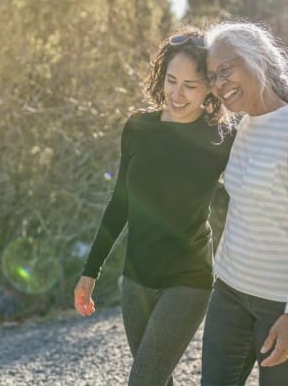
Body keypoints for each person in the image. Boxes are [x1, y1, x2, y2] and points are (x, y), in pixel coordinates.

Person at [73, 29, 232, 386]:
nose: (177, 94)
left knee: (143, 380)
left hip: (188, 279)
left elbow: (253, 192)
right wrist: (90, 270)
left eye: (190, 85)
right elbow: (120, 202)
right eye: (171, 81)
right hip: (136, 280)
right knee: (158, 379)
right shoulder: (138, 127)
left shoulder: (220, 138)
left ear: (209, 88)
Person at [201, 22, 288, 386]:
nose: (218, 84)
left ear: (257, 59)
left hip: (282, 305)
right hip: (229, 294)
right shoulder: (244, 127)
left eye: (226, 70)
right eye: (212, 76)